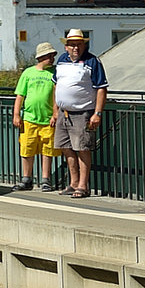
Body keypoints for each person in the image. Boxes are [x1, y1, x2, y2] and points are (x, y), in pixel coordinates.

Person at [52, 28, 108, 199]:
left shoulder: (92, 62)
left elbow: (101, 88)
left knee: (82, 148)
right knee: (66, 147)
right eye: (72, 45)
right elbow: (56, 85)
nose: (75, 48)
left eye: (79, 44)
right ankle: (73, 182)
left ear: (84, 45)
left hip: (82, 112)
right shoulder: (61, 61)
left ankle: (83, 185)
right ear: (66, 47)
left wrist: (97, 113)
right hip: (64, 112)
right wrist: (55, 111)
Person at [11, 41, 60, 192]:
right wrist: (17, 114)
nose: (51, 59)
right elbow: (20, 95)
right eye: (48, 56)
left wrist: (55, 113)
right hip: (30, 118)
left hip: (47, 119)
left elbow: (57, 94)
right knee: (27, 148)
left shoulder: (55, 73)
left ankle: (46, 179)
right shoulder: (28, 73)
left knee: (47, 149)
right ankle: (27, 178)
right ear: (40, 57)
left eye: (52, 56)